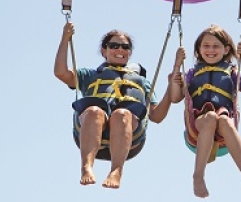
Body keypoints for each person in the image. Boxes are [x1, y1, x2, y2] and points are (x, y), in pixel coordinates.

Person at [54, 21, 179, 189]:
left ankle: (117, 171)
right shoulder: (89, 75)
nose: (120, 50)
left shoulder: (141, 82)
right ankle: (86, 167)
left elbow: (157, 116)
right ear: (104, 51)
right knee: (94, 111)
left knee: (121, 114)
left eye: (125, 47)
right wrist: (65, 39)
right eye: (114, 45)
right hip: (92, 127)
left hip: (130, 134)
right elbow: (61, 72)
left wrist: (171, 89)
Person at [170, 24, 241, 198]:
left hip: (224, 131)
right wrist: (177, 66)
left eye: (216, 46)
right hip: (197, 128)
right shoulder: (191, 73)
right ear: (199, 50)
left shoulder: (231, 72)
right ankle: (198, 176)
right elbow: (175, 98)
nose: (211, 50)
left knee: (222, 119)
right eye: (206, 46)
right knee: (210, 117)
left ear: (226, 49)